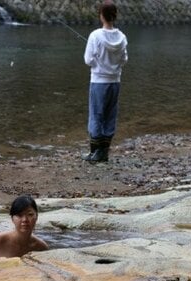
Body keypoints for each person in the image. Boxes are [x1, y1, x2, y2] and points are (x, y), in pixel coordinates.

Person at [82, 1, 128, 163]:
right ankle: (104, 152)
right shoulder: (122, 37)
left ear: (101, 15)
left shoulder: (95, 35)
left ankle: (95, 153)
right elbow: (124, 60)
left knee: (96, 115)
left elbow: (88, 60)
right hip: (115, 82)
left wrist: (99, 63)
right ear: (114, 16)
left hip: (98, 82)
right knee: (110, 116)